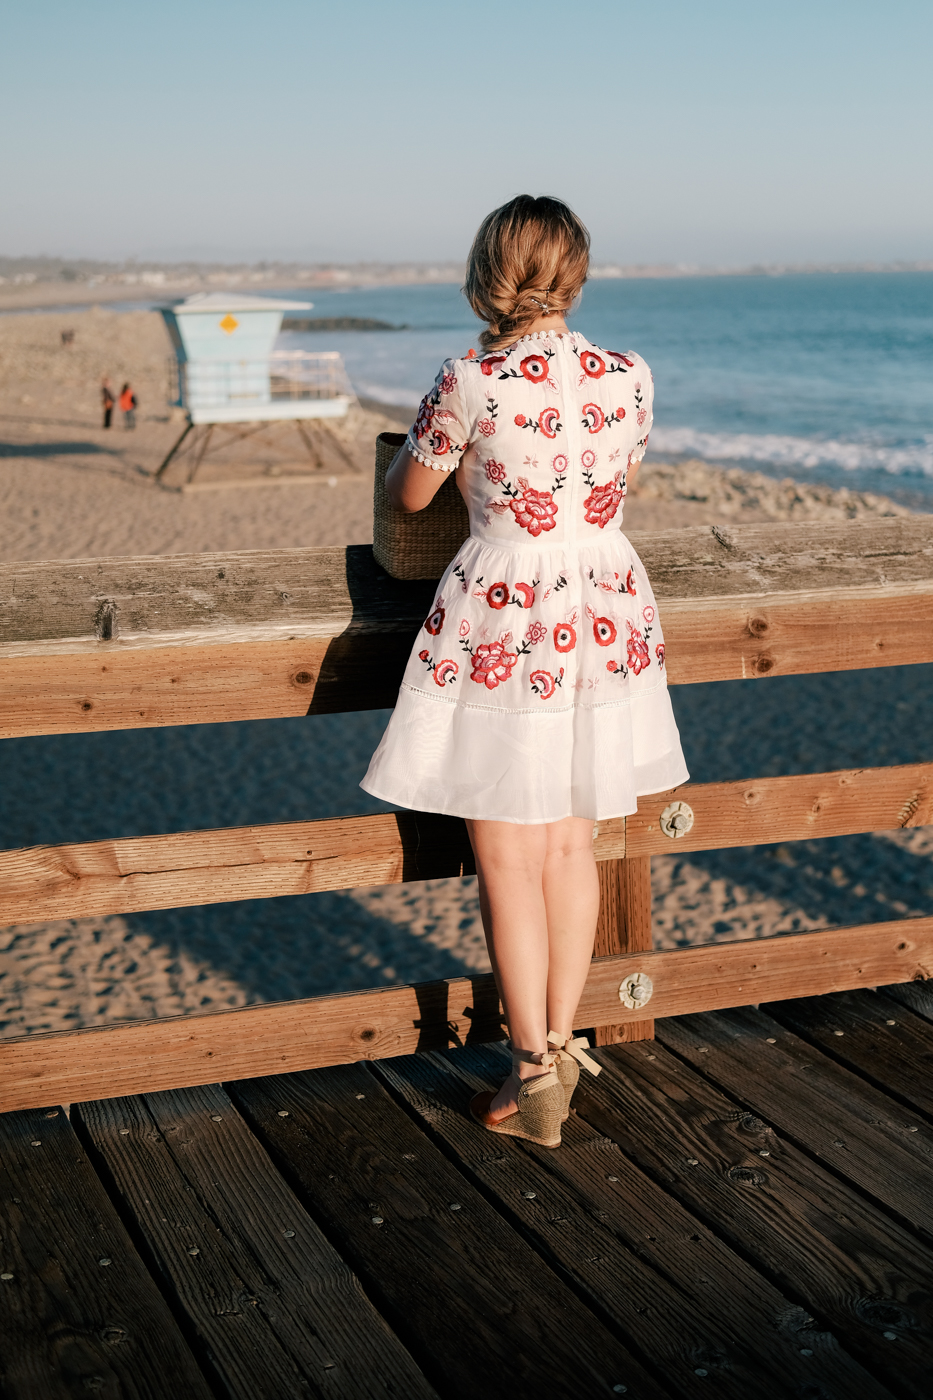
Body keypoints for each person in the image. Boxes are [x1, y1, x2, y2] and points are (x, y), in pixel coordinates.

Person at [362, 196, 688, 1148]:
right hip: (602, 608)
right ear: (573, 272)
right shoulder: (629, 375)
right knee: (566, 851)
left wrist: (422, 466)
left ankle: (534, 1072)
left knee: (506, 860)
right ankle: (559, 1048)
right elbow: (611, 483)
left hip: (507, 616)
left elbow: (411, 492)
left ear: (487, 273)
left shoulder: (470, 377)